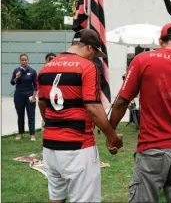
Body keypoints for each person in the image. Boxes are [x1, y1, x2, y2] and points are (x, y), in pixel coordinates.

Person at [109, 23, 171, 203]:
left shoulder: (142, 60)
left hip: (152, 149)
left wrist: (111, 134)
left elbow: (122, 102)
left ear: (160, 40)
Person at [37, 29, 123, 202]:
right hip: (77, 147)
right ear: (90, 48)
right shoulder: (87, 67)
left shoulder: (45, 68)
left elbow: (41, 103)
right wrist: (112, 137)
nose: (95, 58)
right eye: (95, 54)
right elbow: (92, 107)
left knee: (56, 197)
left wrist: (55, 124)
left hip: (50, 148)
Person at [10, 53, 37, 141]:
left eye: (25, 60)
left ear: (28, 61)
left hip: (29, 96)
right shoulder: (16, 70)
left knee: (31, 116)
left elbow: (35, 85)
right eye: (22, 60)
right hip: (19, 96)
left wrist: (34, 96)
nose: (24, 61)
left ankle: (32, 134)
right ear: (20, 61)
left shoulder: (32, 71)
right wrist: (17, 77)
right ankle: (20, 133)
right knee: (20, 115)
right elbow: (12, 83)